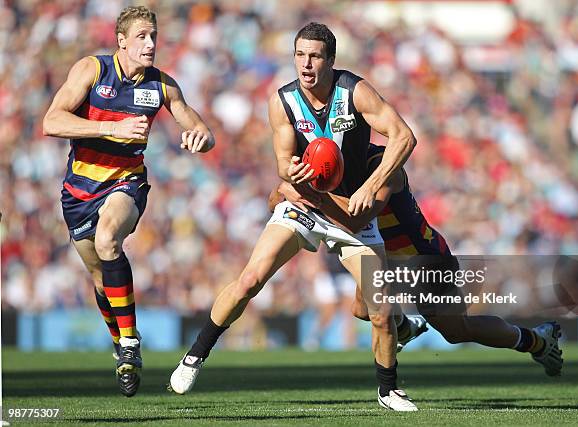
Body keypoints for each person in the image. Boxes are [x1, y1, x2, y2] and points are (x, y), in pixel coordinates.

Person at [170, 22, 420, 411]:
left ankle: (388, 391)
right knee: (250, 279)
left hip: (350, 208)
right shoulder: (282, 102)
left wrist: (371, 185)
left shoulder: (355, 91)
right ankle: (195, 356)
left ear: (331, 61)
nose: (306, 64)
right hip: (306, 204)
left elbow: (403, 136)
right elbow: (284, 168)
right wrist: (293, 177)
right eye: (300, 55)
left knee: (380, 308)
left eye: (315, 56)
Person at [276, 143, 563, 387]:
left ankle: (537, 340)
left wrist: (312, 196)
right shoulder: (329, 164)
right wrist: (286, 192)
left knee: (457, 331)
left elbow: (358, 216)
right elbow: (277, 197)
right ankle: (404, 326)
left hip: (422, 258)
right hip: (385, 258)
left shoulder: (382, 164)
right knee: (361, 310)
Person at [42, 6, 214, 397]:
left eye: (154, 35)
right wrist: (111, 127)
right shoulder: (92, 70)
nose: (151, 44)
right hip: (78, 192)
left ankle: (131, 345)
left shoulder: (161, 85)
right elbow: (51, 121)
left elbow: (200, 126)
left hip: (127, 183)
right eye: (142, 36)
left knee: (108, 240)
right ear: (121, 41)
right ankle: (124, 342)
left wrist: (201, 137)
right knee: (101, 279)